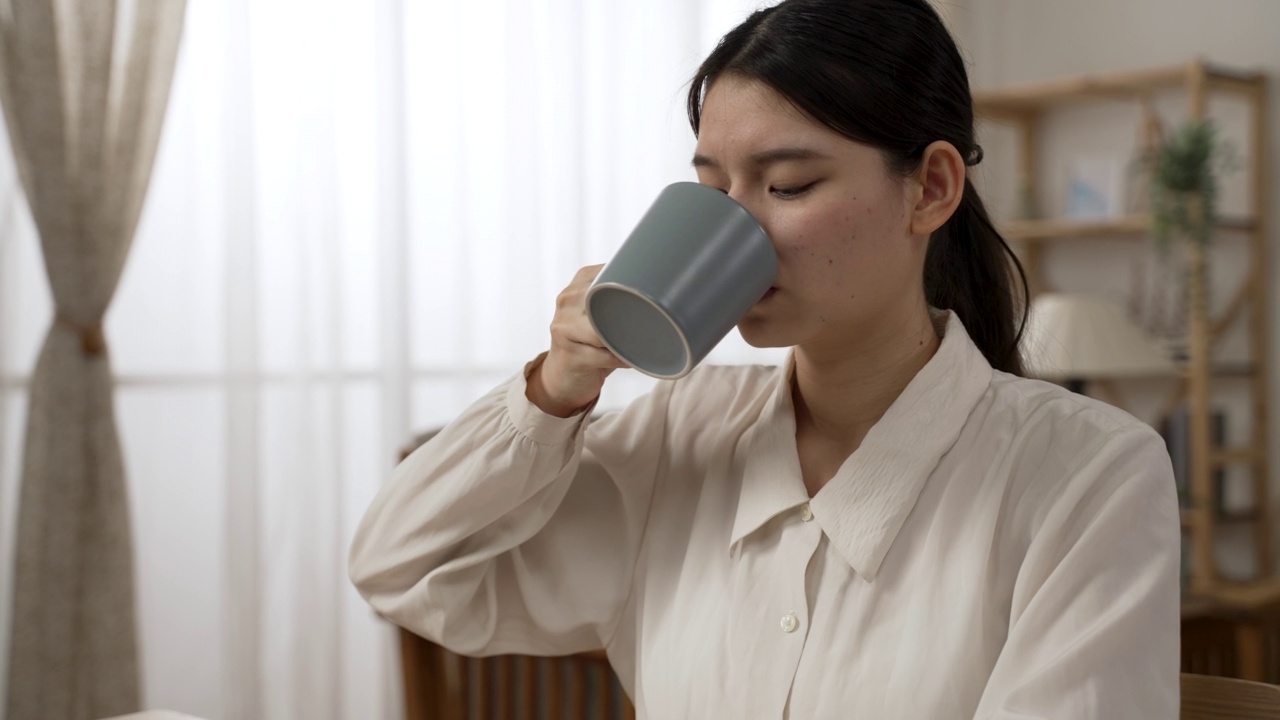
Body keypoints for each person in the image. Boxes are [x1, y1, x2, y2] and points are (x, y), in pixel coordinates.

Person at [349, 0, 1180, 717]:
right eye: (714, 193)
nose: (738, 229)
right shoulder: (684, 433)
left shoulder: (1089, 473)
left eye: (786, 186)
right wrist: (555, 391)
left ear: (930, 188)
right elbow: (406, 569)